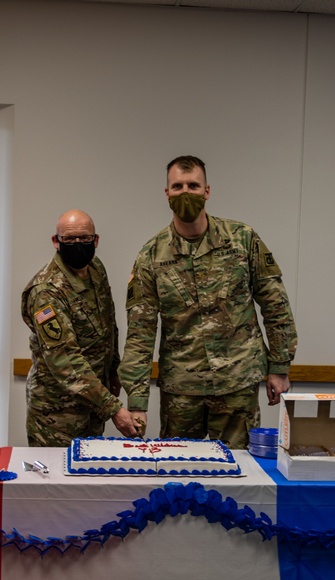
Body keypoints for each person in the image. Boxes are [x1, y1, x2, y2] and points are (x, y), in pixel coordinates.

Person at [119, 155, 298, 449]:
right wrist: (137, 401)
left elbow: (275, 304)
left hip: (236, 383)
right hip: (182, 391)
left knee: (240, 473)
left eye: (193, 185)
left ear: (207, 191)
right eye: (177, 186)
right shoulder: (151, 256)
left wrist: (279, 366)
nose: (185, 192)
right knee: (178, 474)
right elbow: (140, 333)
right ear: (167, 194)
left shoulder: (242, 240)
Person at [21, 209, 138, 446]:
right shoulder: (46, 291)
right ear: (56, 241)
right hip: (57, 415)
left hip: (92, 406)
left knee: (89, 478)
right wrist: (113, 408)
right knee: (56, 480)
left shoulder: (95, 269)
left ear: (95, 240)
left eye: (84, 239)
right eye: (69, 239)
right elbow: (66, 361)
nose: (78, 244)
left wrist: (113, 369)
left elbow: (107, 324)